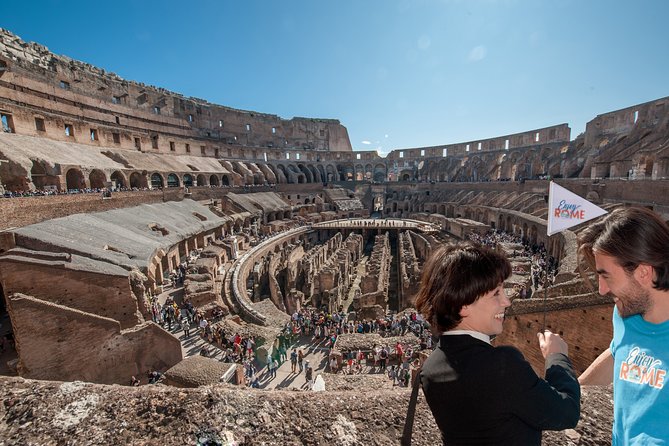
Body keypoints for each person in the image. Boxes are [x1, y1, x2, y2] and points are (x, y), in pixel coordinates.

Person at [415, 242, 580, 445]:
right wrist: (557, 358)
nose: (507, 302)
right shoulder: (502, 365)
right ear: (462, 305)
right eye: (496, 294)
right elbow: (566, 413)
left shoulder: (430, 368)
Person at [577, 207, 669, 445]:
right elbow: (620, 352)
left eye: (606, 276)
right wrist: (571, 391)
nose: (601, 290)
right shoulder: (625, 314)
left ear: (644, 273)